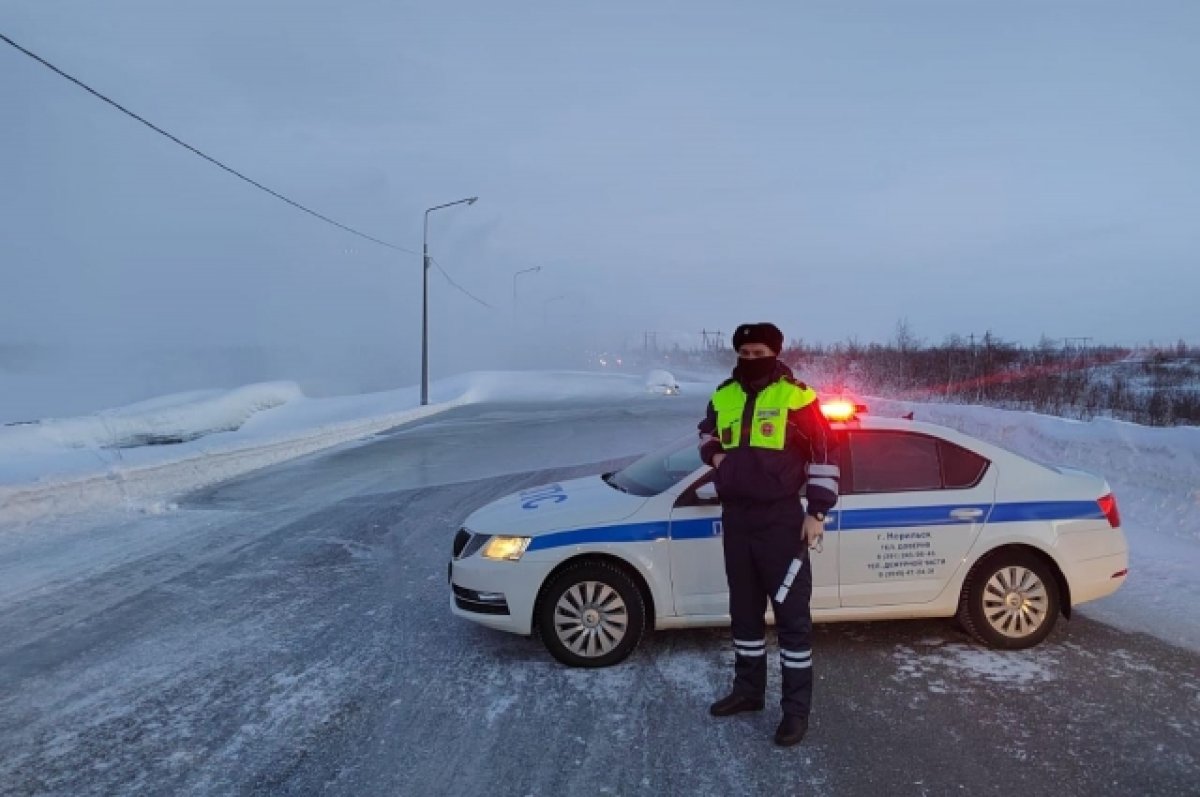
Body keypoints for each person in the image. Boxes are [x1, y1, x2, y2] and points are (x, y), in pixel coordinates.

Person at [697, 322, 840, 747]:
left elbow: (826, 451)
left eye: (760, 352)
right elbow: (705, 431)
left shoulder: (797, 396)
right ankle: (748, 692)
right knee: (743, 613)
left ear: (775, 353)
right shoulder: (723, 393)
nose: (751, 359)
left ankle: (795, 712)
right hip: (737, 519)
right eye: (745, 352)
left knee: (792, 621)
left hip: (781, 520)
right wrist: (718, 458)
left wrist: (816, 511)